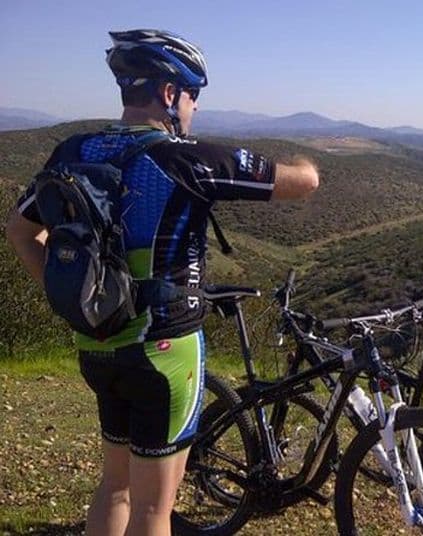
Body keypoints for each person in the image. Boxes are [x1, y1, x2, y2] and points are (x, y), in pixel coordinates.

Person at [5, 29, 319, 536]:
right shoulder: (185, 159)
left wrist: (70, 300)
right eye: (194, 96)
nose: (194, 109)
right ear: (170, 94)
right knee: (153, 510)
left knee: (114, 487)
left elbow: (20, 231)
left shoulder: (71, 151)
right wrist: (310, 158)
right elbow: (304, 183)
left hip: (96, 344)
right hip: (165, 351)